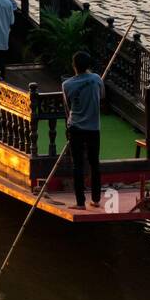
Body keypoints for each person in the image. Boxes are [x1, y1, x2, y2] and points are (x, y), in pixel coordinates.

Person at [62, 49, 105, 209]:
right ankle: (96, 199)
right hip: (94, 128)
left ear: (74, 66)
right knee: (95, 163)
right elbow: (101, 97)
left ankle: (80, 202)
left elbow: (68, 106)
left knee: (78, 165)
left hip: (76, 127)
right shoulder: (96, 79)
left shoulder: (67, 84)